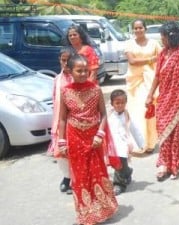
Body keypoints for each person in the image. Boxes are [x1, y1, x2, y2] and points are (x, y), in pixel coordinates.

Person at [58, 54, 118, 224]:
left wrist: (100, 133)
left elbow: (104, 114)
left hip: (94, 137)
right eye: (79, 70)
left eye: (86, 70)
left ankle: (103, 208)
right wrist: (61, 141)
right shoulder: (65, 91)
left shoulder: (96, 89)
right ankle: (86, 212)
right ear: (70, 71)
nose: (84, 73)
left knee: (97, 171)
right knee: (80, 173)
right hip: (74, 137)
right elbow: (62, 118)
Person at [145, 21, 179, 181]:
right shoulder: (163, 54)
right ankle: (164, 162)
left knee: (178, 133)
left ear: (172, 37)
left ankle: (174, 164)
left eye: (164, 37)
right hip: (164, 99)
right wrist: (150, 94)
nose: (162, 40)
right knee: (163, 129)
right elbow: (157, 76)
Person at [125, 19, 162, 155]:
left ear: (145, 29)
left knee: (149, 111)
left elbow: (162, 58)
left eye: (140, 28)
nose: (138, 30)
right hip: (134, 83)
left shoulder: (154, 43)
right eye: (136, 28)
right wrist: (151, 60)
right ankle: (138, 143)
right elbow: (132, 61)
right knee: (135, 113)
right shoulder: (129, 44)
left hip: (150, 82)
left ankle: (151, 143)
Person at [47, 46, 74, 194]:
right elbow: (55, 100)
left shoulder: (79, 77)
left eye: (69, 60)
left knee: (75, 152)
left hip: (74, 122)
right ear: (59, 61)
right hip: (59, 122)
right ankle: (66, 177)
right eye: (63, 60)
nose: (66, 64)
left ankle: (76, 179)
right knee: (61, 153)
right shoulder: (57, 80)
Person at [107, 89, 145, 195]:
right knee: (117, 164)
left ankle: (119, 184)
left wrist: (141, 143)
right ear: (112, 103)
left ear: (126, 103)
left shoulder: (126, 116)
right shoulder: (109, 116)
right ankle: (127, 172)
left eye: (122, 103)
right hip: (112, 145)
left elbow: (134, 129)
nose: (120, 105)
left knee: (120, 164)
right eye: (117, 103)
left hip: (123, 145)